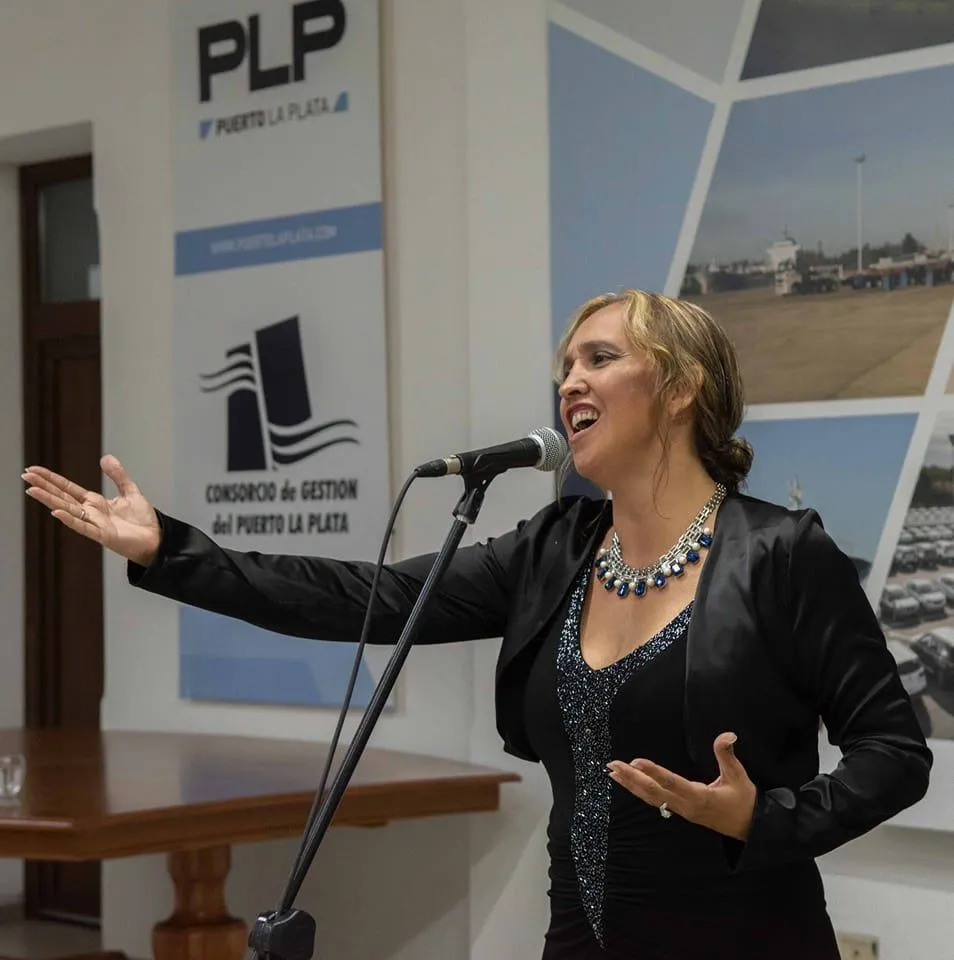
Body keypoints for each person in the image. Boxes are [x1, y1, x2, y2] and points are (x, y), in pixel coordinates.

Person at [23, 289, 931, 959]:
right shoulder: (553, 549)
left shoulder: (780, 554)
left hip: (746, 941)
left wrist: (766, 817)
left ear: (683, 387)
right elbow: (367, 597)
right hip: (579, 938)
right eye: (564, 368)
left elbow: (895, 752)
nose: (570, 382)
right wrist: (170, 550)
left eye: (599, 359)